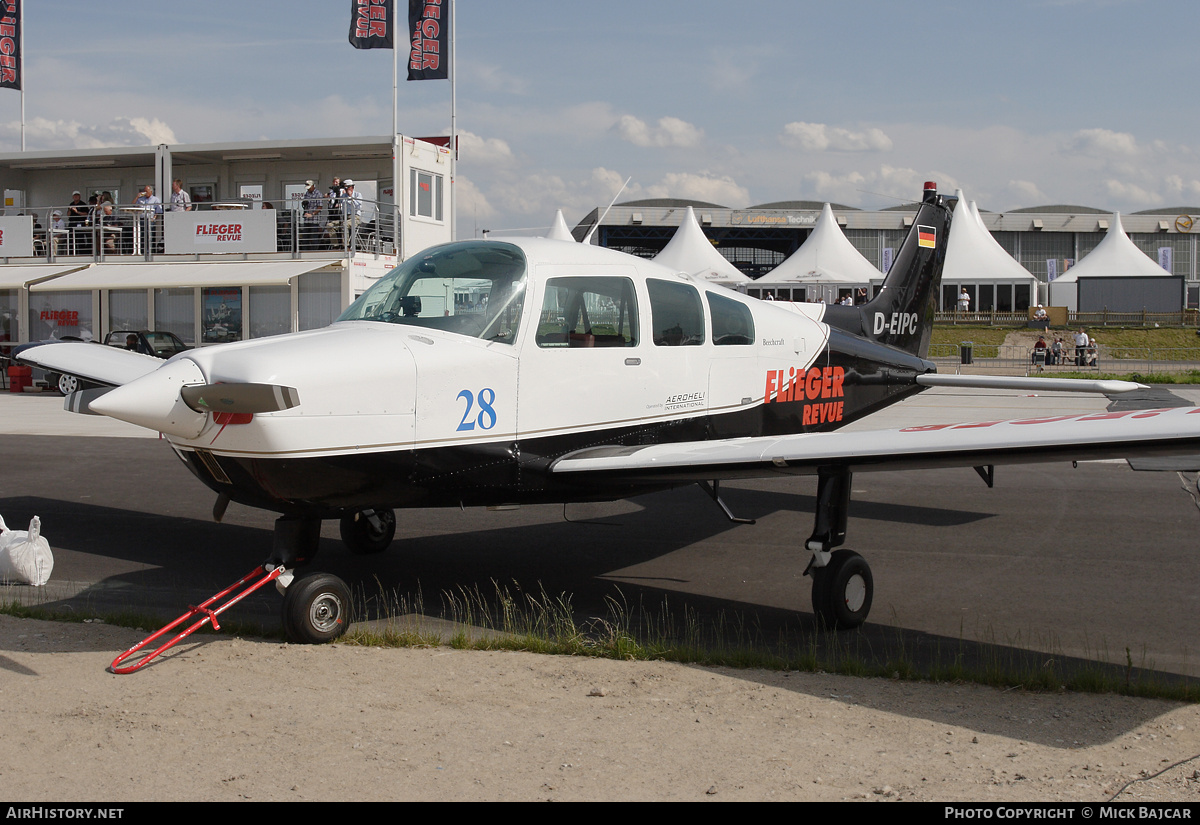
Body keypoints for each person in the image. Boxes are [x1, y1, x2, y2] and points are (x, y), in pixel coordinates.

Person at [300, 180, 324, 250]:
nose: (308, 189)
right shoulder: (307, 193)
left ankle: (314, 251)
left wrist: (312, 214)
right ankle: (305, 250)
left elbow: (320, 207)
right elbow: (304, 203)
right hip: (306, 219)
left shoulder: (318, 194)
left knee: (314, 237)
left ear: (313, 186)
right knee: (305, 237)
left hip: (314, 220)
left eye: (309, 187)